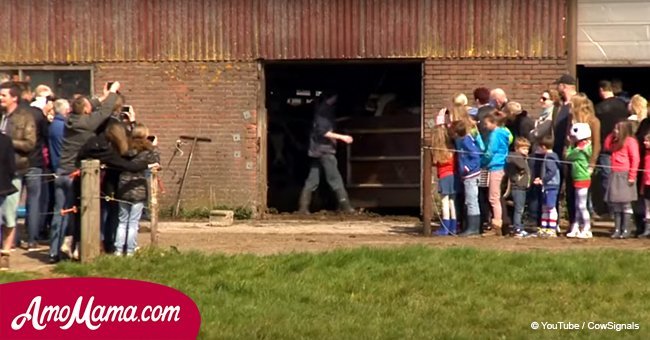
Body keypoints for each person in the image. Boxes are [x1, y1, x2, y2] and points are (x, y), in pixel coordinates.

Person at [48, 82, 121, 263]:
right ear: (87, 111)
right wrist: (112, 93)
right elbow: (104, 112)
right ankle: (77, 247)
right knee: (80, 211)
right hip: (75, 173)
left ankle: (53, 252)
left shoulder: (69, 120)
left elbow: (88, 105)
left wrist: (101, 96)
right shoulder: (87, 124)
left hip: (61, 171)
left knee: (60, 211)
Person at [297, 93, 354, 214]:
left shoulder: (323, 111)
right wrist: (343, 137)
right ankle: (346, 207)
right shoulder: (324, 112)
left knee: (312, 180)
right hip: (325, 150)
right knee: (335, 178)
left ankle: (303, 207)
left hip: (316, 150)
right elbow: (322, 132)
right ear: (330, 98)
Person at [0, 82, 36, 270]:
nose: (0, 98)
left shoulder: (25, 117)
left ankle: (5, 253)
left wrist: (6, 143)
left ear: (14, 97)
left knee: (8, 215)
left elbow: (30, 143)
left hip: (14, 169)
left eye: (4, 95)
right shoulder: (1, 115)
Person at [115, 123, 160, 256]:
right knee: (133, 222)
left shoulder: (124, 148)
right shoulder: (148, 151)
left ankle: (118, 250)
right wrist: (155, 146)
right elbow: (157, 163)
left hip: (123, 186)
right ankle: (130, 250)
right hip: (138, 187)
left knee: (122, 221)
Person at [595, 80, 629, 211]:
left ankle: (611, 208)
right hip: (622, 145)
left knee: (607, 178)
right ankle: (623, 207)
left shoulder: (599, 108)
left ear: (602, 90)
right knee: (622, 178)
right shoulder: (623, 106)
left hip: (606, 146)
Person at [604, 121, 640, 239]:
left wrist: (632, 176)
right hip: (615, 173)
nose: (615, 131)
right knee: (616, 203)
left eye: (618, 129)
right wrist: (612, 136)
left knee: (625, 203)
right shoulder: (615, 141)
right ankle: (617, 228)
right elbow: (607, 146)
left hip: (625, 174)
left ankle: (626, 229)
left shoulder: (631, 141)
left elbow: (635, 159)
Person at [481, 111, 512, 236]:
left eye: (486, 124)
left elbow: (490, 151)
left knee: (493, 197)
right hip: (500, 166)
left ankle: (496, 225)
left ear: (493, 123)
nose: (485, 126)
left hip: (495, 167)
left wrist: (482, 162)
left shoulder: (495, 134)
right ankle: (497, 224)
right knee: (495, 196)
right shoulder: (504, 133)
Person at [451, 119, 482, 237]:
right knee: (470, 200)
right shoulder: (461, 140)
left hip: (471, 175)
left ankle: (473, 228)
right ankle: (471, 227)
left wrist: (466, 168)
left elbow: (475, 156)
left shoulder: (466, 141)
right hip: (467, 175)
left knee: (472, 201)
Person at [565, 123, 593, 239]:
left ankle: (587, 228)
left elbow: (571, 156)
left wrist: (576, 147)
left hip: (583, 178)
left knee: (582, 205)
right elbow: (568, 155)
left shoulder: (585, 148)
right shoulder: (576, 147)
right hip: (576, 177)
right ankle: (575, 227)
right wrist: (574, 146)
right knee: (577, 205)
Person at [533, 135, 561, 238]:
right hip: (547, 186)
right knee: (545, 207)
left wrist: (542, 180)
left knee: (551, 207)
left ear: (544, 147)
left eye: (540, 147)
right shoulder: (548, 157)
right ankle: (544, 227)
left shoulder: (550, 158)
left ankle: (552, 229)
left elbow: (551, 172)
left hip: (551, 186)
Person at [431, 125, 456, 236]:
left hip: (444, 176)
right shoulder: (452, 147)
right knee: (452, 202)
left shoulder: (438, 150)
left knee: (444, 202)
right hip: (454, 175)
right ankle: (453, 227)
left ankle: (445, 227)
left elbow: (435, 161)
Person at [506, 137, 531, 238]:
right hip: (517, 187)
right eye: (523, 148)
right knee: (518, 209)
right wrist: (524, 159)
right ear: (516, 148)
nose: (526, 151)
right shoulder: (515, 156)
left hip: (522, 187)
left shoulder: (522, 158)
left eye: (527, 149)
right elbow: (521, 166)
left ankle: (519, 226)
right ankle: (517, 229)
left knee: (520, 209)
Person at [0, 133, 18, 271]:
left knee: (9, 220)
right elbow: (12, 166)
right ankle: (5, 254)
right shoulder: (6, 140)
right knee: (9, 220)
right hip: (5, 184)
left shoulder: (6, 140)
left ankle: (5, 255)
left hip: (5, 185)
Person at [638, 133, 650, 238]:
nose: (644, 143)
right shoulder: (646, 154)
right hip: (646, 184)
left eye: (647, 141)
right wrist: (642, 186)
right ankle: (647, 229)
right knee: (647, 208)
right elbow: (644, 173)